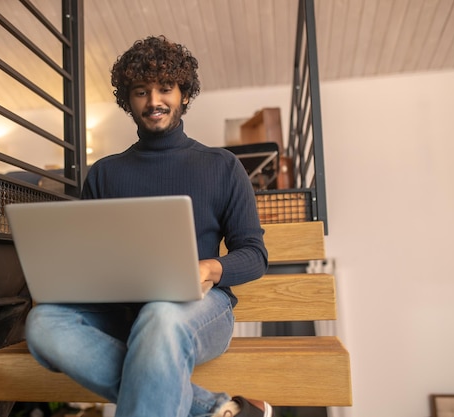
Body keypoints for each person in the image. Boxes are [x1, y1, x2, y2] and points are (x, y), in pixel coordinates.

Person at [26, 35, 272, 417]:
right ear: (129, 101)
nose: (154, 101)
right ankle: (213, 410)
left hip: (201, 308)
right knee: (44, 322)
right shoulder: (106, 173)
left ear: (184, 94)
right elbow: (91, 256)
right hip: (126, 311)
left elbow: (255, 256)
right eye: (141, 91)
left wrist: (209, 268)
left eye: (165, 88)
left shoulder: (222, 166)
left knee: (162, 314)